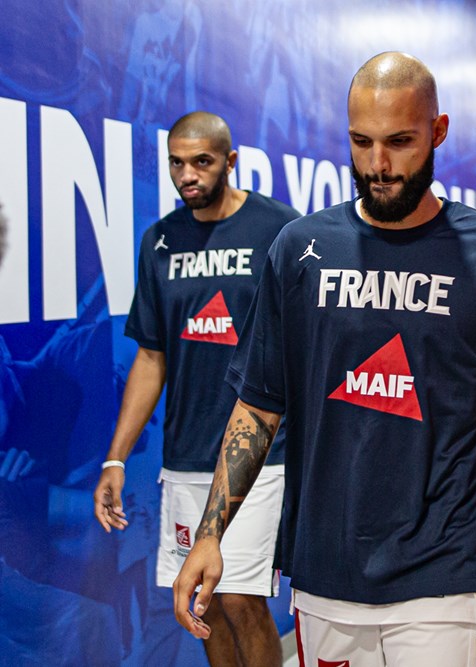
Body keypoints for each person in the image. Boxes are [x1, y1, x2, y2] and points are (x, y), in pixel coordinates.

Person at [173, 52, 476, 666]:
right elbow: (259, 405)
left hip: (444, 565)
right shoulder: (300, 251)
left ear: (439, 132)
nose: (379, 166)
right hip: (324, 566)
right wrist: (210, 533)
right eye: (361, 143)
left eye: (400, 142)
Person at [93, 111, 300, 667]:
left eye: (202, 162)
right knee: (204, 601)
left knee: (237, 595)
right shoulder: (160, 242)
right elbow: (151, 357)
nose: (188, 175)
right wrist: (116, 460)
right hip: (186, 457)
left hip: (260, 457)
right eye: (177, 164)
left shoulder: (280, 231)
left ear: (231, 161)